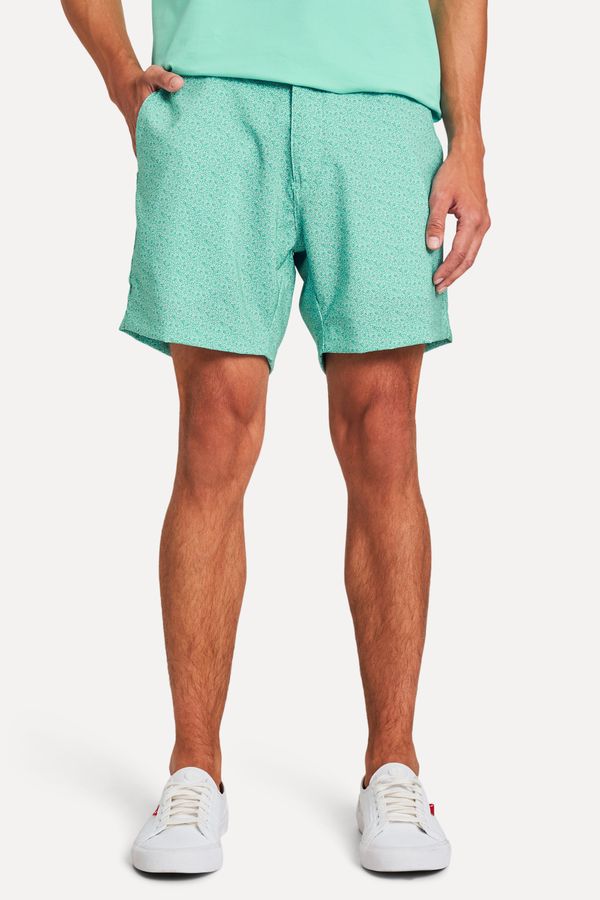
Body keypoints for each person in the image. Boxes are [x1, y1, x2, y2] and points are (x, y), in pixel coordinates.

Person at [61, 0, 490, 874]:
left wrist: (470, 138)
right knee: (212, 428)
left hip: (382, 109)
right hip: (213, 100)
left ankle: (394, 766)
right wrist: (118, 76)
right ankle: (194, 771)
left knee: (385, 430)